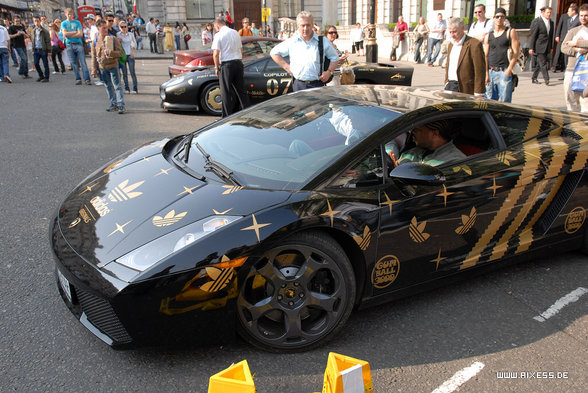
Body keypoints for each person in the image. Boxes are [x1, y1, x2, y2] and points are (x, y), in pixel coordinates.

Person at [270, 11, 338, 91]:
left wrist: (329, 72)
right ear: (297, 26)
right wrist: (286, 67)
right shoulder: (292, 42)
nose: (305, 28)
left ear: (312, 25)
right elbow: (274, 53)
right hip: (299, 86)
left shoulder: (322, 41)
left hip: (317, 85)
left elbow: (335, 57)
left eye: (308, 25)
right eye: (303, 25)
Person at [211, 16, 249, 117]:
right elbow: (241, 49)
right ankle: (247, 112)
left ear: (217, 26)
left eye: (215, 27)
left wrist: (216, 67)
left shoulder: (219, 35)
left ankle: (226, 116)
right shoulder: (235, 32)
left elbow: (215, 54)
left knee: (225, 92)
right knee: (241, 91)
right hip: (238, 62)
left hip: (227, 65)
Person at [484, 8, 520, 103]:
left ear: (505, 18)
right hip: (491, 71)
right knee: (489, 101)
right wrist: (486, 73)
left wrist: (508, 71)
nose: (499, 19)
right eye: (497, 17)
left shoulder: (510, 32)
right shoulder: (489, 36)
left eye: (502, 17)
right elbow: (485, 55)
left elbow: (516, 52)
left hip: (504, 71)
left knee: (505, 102)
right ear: (494, 18)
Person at [394, 120, 466, 167]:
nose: (412, 132)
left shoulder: (454, 161)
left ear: (435, 133)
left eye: (418, 129)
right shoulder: (412, 152)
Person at [444, 17, 486, 96]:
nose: (452, 35)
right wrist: (446, 82)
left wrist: (479, 92)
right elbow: (448, 64)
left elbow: (480, 70)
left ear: (462, 28)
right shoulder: (451, 44)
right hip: (450, 86)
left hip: (465, 88)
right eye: (450, 32)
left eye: (455, 32)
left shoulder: (474, 44)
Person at [93, 19, 125, 114]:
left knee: (117, 86)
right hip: (102, 66)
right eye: (103, 28)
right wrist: (94, 70)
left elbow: (120, 53)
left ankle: (121, 105)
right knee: (108, 86)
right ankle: (113, 104)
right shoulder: (95, 40)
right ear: (98, 28)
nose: (105, 30)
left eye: (106, 28)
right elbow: (93, 56)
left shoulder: (113, 39)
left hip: (113, 65)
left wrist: (111, 53)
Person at [561, 4, 588, 112]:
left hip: (586, 71)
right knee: (571, 102)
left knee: (585, 103)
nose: (583, 18)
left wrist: (576, 43)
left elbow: (573, 43)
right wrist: (576, 50)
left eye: (586, 15)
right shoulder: (573, 31)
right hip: (571, 70)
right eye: (581, 15)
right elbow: (563, 47)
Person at [62, 8, 91, 85]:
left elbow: (80, 34)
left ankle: (87, 79)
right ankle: (78, 79)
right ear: (65, 14)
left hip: (78, 44)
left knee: (83, 63)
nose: (70, 16)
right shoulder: (64, 23)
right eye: (68, 14)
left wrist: (69, 34)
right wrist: (75, 33)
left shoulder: (77, 22)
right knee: (73, 63)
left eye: (71, 14)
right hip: (69, 45)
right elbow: (65, 35)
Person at [529, 6, 554, 85]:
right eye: (547, 12)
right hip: (539, 46)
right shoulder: (537, 22)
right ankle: (547, 79)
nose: (549, 14)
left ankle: (534, 78)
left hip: (547, 47)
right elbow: (533, 35)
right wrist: (531, 47)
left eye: (550, 12)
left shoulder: (551, 22)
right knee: (543, 63)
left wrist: (551, 47)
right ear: (543, 13)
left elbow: (551, 36)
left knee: (540, 64)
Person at [554, 4, 580, 73]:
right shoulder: (569, 19)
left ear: (574, 11)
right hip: (567, 40)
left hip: (574, 42)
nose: (567, 12)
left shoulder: (579, 19)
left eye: (569, 11)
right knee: (565, 57)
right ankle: (565, 72)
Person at [117, 21, 137, 94]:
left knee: (132, 72)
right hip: (122, 55)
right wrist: (118, 40)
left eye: (125, 26)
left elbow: (134, 44)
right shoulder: (118, 35)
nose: (124, 28)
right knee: (124, 73)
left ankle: (135, 88)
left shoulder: (131, 34)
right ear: (119, 27)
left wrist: (133, 53)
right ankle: (126, 88)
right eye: (122, 27)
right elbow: (116, 45)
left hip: (130, 54)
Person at [31, 15, 51, 82]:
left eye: (37, 21)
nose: (36, 22)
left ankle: (46, 77)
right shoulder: (33, 31)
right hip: (36, 49)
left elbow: (48, 41)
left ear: (40, 21)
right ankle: (41, 75)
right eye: (35, 21)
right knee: (36, 63)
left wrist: (49, 51)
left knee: (45, 64)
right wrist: (33, 50)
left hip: (43, 49)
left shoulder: (44, 31)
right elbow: (33, 41)